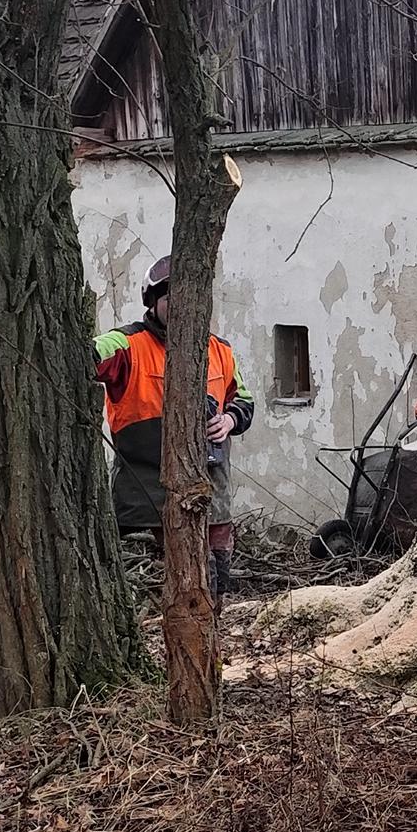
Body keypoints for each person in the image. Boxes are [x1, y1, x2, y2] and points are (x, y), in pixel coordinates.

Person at [95, 255, 255, 600]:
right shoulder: (128, 344)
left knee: (217, 553)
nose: (181, 306)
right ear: (153, 303)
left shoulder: (220, 350)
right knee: (168, 560)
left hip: (211, 471)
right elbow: (96, 352)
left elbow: (244, 401)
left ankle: (217, 605)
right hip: (147, 477)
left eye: (190, 298)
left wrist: (228, 420)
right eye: (170, 298)